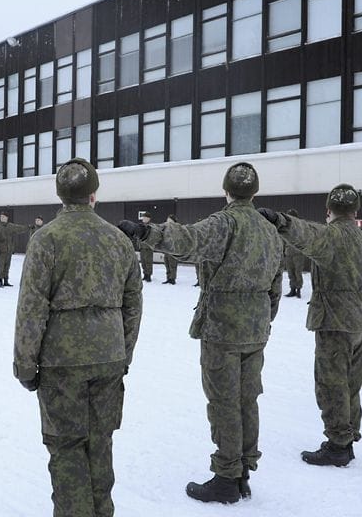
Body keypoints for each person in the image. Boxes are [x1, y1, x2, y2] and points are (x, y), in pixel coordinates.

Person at [122, 162, 280, 503]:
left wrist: (146, 233)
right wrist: (264, 317)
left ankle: (226, 477)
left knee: (224, 400)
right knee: (247, 399)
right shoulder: (270, 229)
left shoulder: (225, 222)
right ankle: (243, 471)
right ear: (255, 192)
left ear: (226, 190)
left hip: (224, 325)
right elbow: (276, 282)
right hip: (256, 326)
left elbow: (189, 240)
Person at [14, 158, 142, 517]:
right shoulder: (118, 240)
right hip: (108, 358)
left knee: (67, 446)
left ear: (60, 194)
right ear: (94, 195)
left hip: (61, 362)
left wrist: (26, 364)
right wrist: (123, 352)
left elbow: (31, 308)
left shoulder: (46, 239)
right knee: (100, 444)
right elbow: (133, 304)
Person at [261, 184, 362, 467]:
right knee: (352, 381)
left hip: (335, 319)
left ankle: (337, 444)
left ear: (328, 211)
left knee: (332, 383)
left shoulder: (330, 235)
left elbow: (304, 234)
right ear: (355, 211)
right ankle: (348, 436)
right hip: (360, 317)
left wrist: (280, 220)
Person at [0, 212, 29, 287]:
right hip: (1, 250)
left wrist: (27, 227)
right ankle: (0, 281)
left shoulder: (10, 226)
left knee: (7, 266)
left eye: (4, 217)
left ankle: (6, 281)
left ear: (7, 218)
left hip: (9, 250)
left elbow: (19, 228)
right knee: (1, 266)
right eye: (1, 217)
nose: (2, 218)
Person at [284, 209, 306, 298]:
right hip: (289, 252)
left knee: (298, 272)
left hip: (298, 253)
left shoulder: (301, 226)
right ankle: (292, 289)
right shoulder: (286, 226)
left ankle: (298, 289)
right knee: (290, 272)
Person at [162, 214, 179, 284]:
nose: (168, 221)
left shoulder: (177, 228)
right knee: (167, 264)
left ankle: (172, 278)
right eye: (167, 220)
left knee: (173, 265)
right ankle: (168, 278)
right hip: (166, 249)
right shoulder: (165, 228)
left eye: (169, 220)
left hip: (173, 249)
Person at [137, 212, 154, 282]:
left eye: (145, 217)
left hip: (148, 247)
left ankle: (149, 275)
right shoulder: (140, 226)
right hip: (142, 247)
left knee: (148, 262)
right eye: (143, 217)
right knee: (143, 262)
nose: (143, 219)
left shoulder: (151, 226)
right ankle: (145, 274)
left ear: (148, 219)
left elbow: (153, 236)